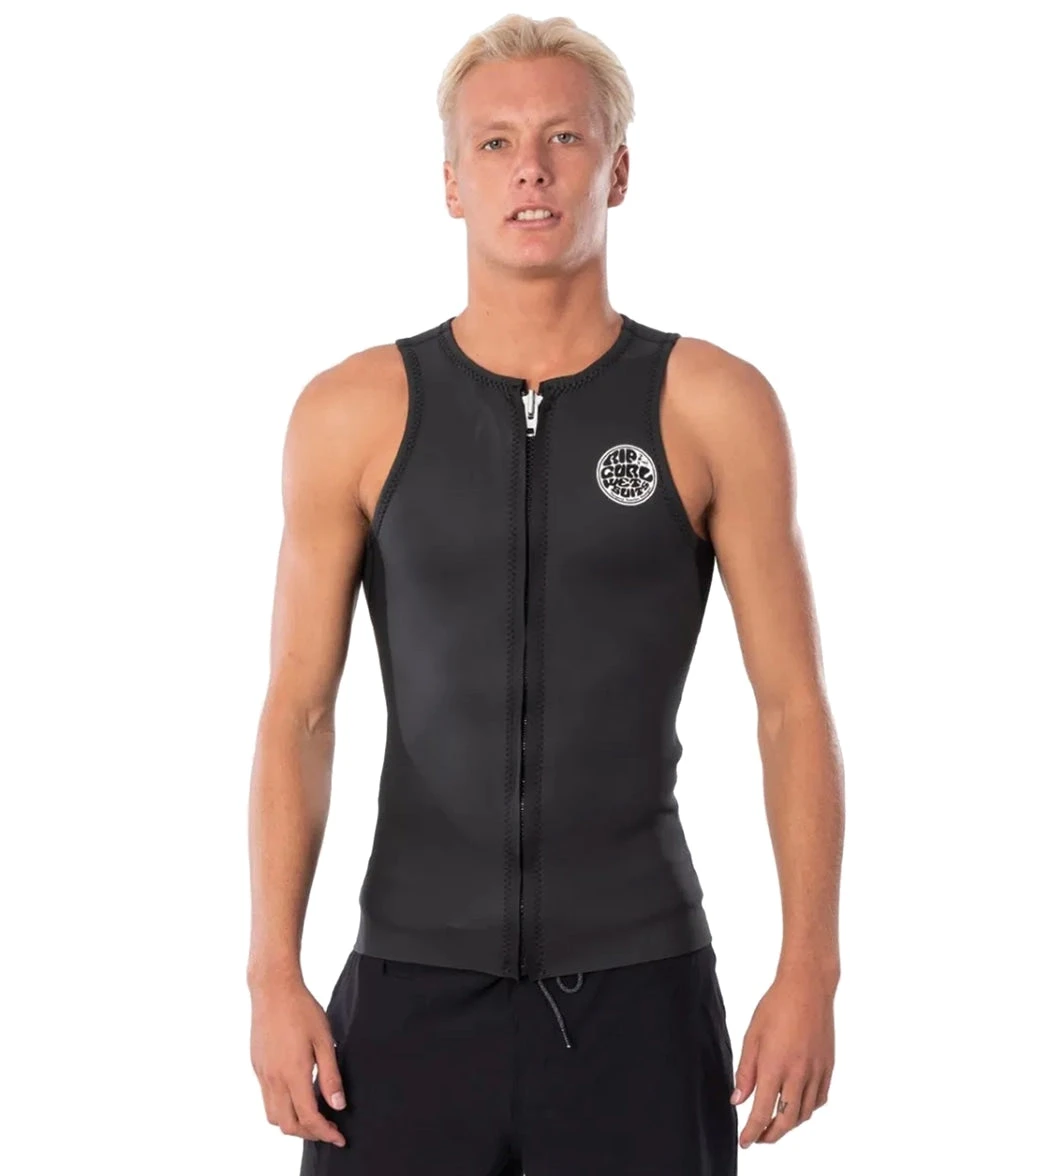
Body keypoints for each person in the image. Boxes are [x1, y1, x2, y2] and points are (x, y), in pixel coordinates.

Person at [247, 14, 843, 1174]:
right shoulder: (353, 412)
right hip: (405, 999)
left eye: (565, 137)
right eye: (496, 143)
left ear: (617, 169)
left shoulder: (712, 405)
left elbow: (792, 707)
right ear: (451, 184)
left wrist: (810, 970)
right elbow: (298, 712)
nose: (531, 167)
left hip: (640, 996)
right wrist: (273, 975)